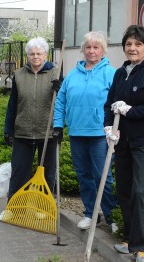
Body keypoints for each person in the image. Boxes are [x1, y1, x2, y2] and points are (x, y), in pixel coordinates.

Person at [105, 25, 144, 262]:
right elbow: (109, 103)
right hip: (123, 141)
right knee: (124, 190)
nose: (132, 48)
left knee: (140, 191)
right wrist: (108, 127)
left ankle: (141, 247)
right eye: (129, 44)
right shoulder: (120, 73)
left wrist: (130, 110)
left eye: (138, 44)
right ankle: (130, 239)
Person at [52, 31, 118, 233]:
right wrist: (58, 125)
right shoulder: (73, 74)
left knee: (103, 175)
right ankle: (90, 213)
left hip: (100, 133)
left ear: (102, 50)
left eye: (96, 47)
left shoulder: (111, 73)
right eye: (88, 47)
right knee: (84, 175)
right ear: (83, 50)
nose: (92, 51)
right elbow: (61, 101)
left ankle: (112, 216)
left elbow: (117, 102)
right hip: (77, 132)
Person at [0, 37, 61, 221]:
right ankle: (13, 207)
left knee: (48, 172)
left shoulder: (56, 74)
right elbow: (13, 104)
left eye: (39, 53)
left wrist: (61, 87)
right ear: (27, 56)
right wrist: (8, 129)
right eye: (32, 54)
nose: (35, 57)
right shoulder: (19, 74)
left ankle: (43, 207)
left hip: (47, 132)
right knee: (19, 172)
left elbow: (63, 103)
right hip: (23, 131)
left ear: (45, 55)